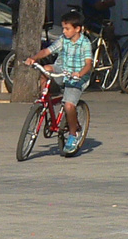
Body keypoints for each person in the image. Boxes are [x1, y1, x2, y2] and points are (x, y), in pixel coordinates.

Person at [26, 9, 94, 154]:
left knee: (69, 105)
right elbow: (47, 51)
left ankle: (72, 136)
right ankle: (44, 98)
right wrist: (34, 58)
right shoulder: (64, 40)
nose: (64, 31)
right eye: (63, 27)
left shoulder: (85, 44)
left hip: (77, 78)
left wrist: (79, 74)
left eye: (67, 28)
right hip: (62, 70)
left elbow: (89, 64)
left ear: (78, 29)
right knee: (46, 69)